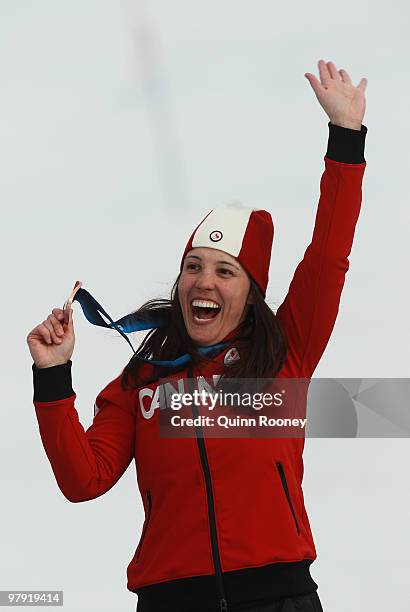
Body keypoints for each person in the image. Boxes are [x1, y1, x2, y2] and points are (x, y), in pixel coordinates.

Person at [27, 59, 368, 612]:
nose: (203, 281)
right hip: (171, 599)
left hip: (278, 596)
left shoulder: (284, 353)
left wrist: (346, 139)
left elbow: (328, 256)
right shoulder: (141, 382)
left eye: (225, 270)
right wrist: (53, 378)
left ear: (250, 292)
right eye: (193, 265)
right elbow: (82, 478)